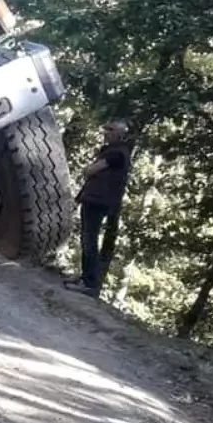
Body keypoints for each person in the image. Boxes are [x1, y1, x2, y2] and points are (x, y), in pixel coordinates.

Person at [65, 119, 132, 297]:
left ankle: (89, 284)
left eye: (110, 129)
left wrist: (89, 169)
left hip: (98, 201)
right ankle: (86, 277)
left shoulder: (117, 153)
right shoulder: (114, 151)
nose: (105, 132)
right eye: (106, 129)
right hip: (95, 199)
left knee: (89, 240)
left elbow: (91, 171)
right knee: (88, 239)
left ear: (120, 133)